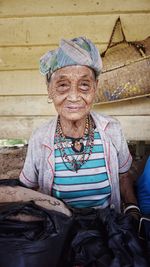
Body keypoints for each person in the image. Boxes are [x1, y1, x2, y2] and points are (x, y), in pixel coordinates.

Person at [19, 36, 140, 216]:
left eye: (84, 85)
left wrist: (132, 209)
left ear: (95, 87)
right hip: (59, 229)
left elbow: (123, 176)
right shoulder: (40, 137)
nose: (74, 96)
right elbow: (28, 188)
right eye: (62, 85)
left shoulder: (112, 129)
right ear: (49, 89)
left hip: (106, 225)